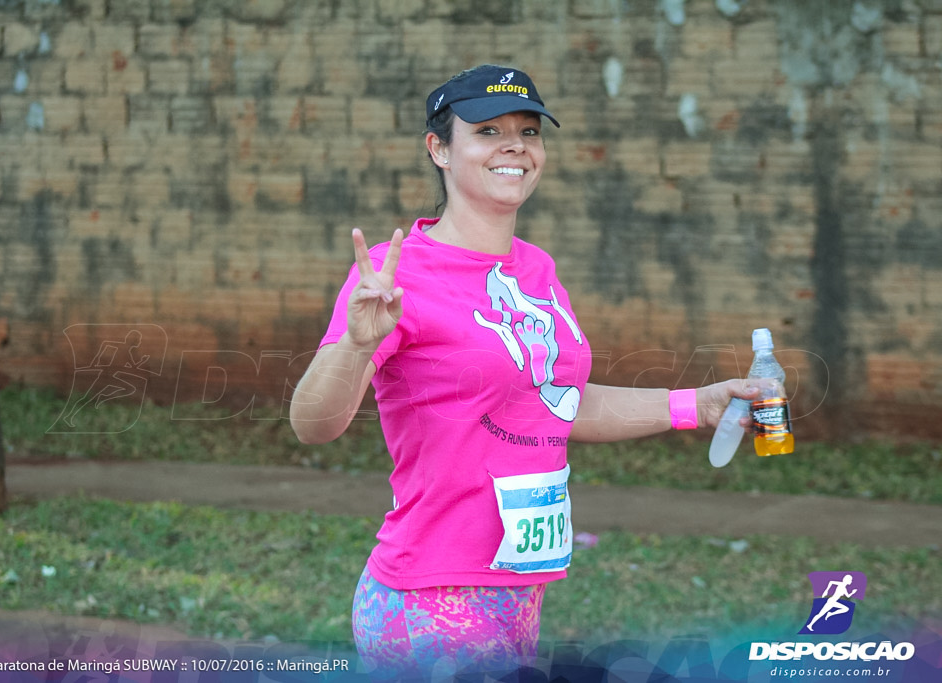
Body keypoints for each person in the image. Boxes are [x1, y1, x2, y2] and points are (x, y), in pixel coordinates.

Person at [289, 64, 761, 680]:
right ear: (439, 149)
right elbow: (313, 426)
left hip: (517, 591)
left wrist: (696, 406)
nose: (515, 145)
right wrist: (354, 346)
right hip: (433, 597)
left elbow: (554, 400)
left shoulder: (535, 268)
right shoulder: (393, 274)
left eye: (529, 130)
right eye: (487, 130)